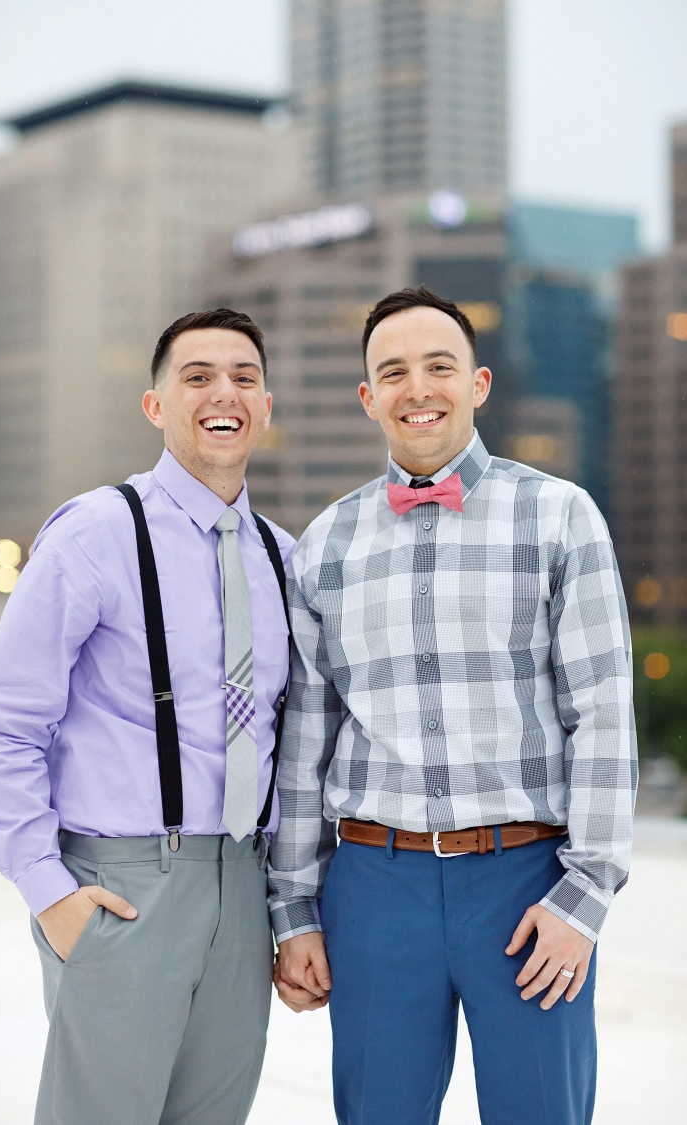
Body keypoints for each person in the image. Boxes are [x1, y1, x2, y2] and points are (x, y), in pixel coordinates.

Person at [270, 286, 636, 1125]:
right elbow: (305, 744)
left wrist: (585, 895)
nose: (418, 388)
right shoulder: (325, 545)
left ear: (478, 383)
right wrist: (293, 909)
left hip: (527, 884)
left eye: (439, 365)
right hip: (373, 888)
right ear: (368, 397)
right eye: (392, 371)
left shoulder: (559, 517)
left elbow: (603, 715)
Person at [0, 308, 294, 1125]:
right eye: (197, 376)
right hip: (125, 889)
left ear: (266, 404)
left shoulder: (283, 557)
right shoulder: (97, 532)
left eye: (244, 377)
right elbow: (2, 725)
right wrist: (50, 892)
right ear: (156, 404)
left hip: (244, 889)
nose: (224, 393)